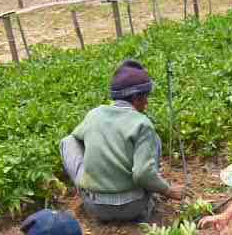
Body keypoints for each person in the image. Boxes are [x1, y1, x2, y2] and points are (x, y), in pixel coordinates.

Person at [61, 59, 187, 223]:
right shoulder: (142, 124)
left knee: (68, 141)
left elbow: (75, 141)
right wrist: (168, 191)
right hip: (133, 207)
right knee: (153, 141)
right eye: (145, 97)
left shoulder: (94, 114)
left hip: (95, 206)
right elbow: (142, 173)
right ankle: (141, 204)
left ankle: (92, 188)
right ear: (135, 97)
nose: (147, 102)